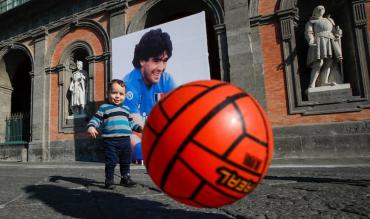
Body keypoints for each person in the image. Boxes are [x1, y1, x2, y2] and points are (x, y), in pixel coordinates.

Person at [123, 28, 176, 163]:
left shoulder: (167, 80)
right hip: (139, 134)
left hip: (156, 135)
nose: (161, 67)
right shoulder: (129, 83)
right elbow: (136, 125)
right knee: (131, 138)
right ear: (142, 61)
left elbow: (176, 113)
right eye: (156, 61)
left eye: (164, 61)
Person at [87, 79, 143, 189]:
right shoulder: (104, 108)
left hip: (125, 140)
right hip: (110, 141)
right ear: (108, 94)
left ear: (125, 96)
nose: (117, 96)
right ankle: (109, 179)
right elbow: (96, 119)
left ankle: (125, 178)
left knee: (126, 161)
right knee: (111, 161)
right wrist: (91, 126)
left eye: (121, 94)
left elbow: (131, 124)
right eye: (114, 93)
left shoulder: (126, 109)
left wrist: (140, 128)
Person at [305, 5, 343, 88]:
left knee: (329, 62)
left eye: (323, 8)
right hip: (318, 41)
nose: (321, 9)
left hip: (329, 40)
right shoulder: (311, 22)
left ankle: (324, 82)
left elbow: (334, 31)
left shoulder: (329, 20)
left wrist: (337, 32)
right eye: (319, 8)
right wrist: (310, 39)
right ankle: (312, 84)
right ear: (315, 11)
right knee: (318, 63)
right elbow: (309, 32)